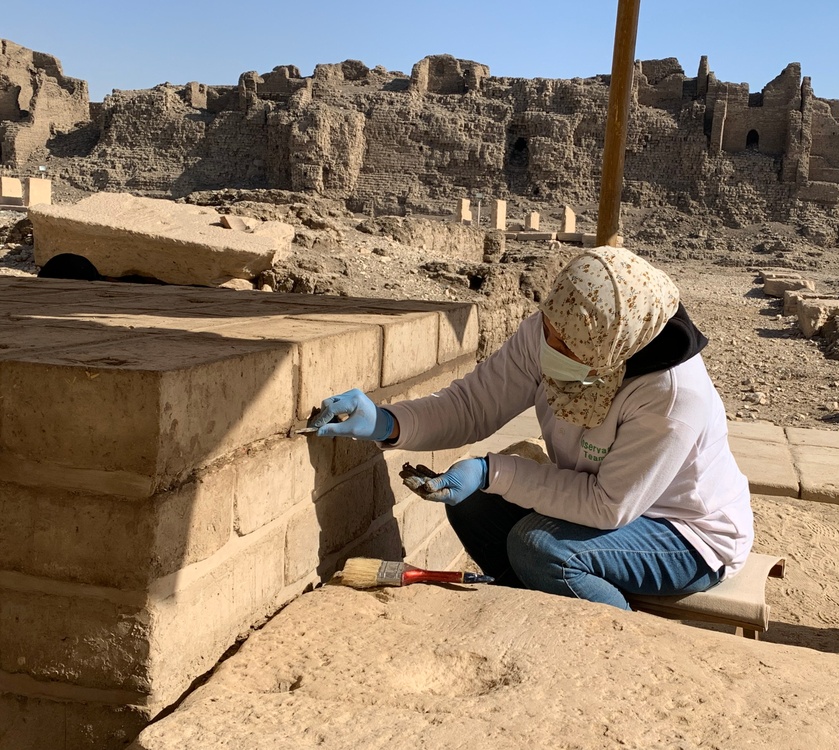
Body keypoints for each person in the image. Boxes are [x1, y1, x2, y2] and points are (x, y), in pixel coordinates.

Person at [309, 246, 753, 610]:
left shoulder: (671, 395)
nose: (549, 346)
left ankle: (614, 643)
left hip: (683, 531)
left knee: (540, 546)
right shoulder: (555, 331)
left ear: (610, 347)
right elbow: (472, 405)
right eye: (549, 329)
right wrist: (389, 422)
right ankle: (532, 605)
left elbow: (607, 506)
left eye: (565, 344)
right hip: (604, 499)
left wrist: (493, 471)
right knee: (472, 503)